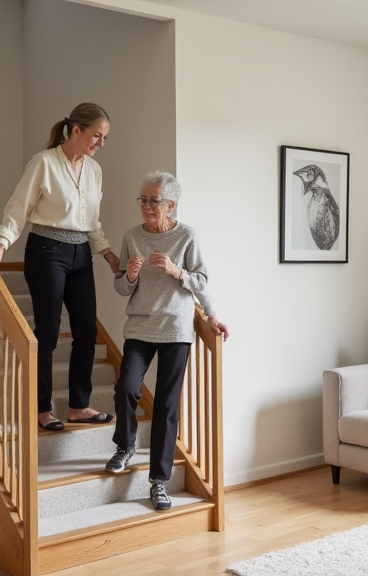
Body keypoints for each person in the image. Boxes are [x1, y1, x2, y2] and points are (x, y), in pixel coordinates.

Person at [0, 102, 120, 432]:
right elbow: (18, 209)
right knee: (48, 333)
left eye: (105, 138)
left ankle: (79, 406)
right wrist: (1, 244)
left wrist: (106, 252)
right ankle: (41, 407)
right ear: (76, 131)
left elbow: (91, 220)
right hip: (47, 251)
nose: (101, 143)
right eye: (96, 136)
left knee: (86, 332)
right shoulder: (43, 163)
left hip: (81, 253)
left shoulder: (94, 171)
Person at [103, 171, 229, 511]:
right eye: (143, 200)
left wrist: (178, 274)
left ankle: (159, 481)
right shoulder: (132, 236)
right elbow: (121, 287)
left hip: (175, 329)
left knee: (167, 404)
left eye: (153, 200)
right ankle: (125, 446)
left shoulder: (187, 236)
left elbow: (201, 279)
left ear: (170, 204)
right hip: (140, 328)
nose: (146, 206)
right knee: (127, 387)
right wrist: (129, 275)